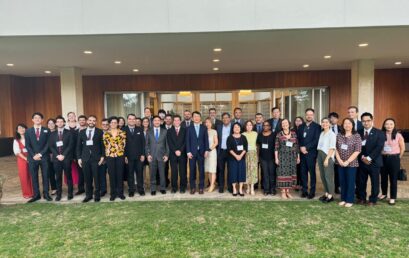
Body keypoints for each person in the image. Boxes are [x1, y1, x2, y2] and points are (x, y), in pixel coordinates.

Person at [357, 112, 385, 206]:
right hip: (361, 161)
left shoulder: (379, 132)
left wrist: (369, 158)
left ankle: (373, 200)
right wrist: (362, 157)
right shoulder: (358, 132)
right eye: (364, 121)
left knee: (375, 182)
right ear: (361, 122)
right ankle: (361, 198)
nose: (366, 123)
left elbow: (379, 147)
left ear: (372, 120)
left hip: (374, 162)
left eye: (368, 120)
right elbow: (356, 146)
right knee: (361, 182)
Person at [76, 115, 104, 203]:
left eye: (94, 120)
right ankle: (88, 195)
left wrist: (102, 157)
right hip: (85, 158)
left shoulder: (100, 132)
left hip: (96, 158)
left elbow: (102, 146)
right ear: (87, 121)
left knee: (97, 178)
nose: (92, 122)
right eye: (90, 120)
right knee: (87, 178)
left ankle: (97, 195)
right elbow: (78, 146)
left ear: (96, 122)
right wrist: (79, 158)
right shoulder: (82, 132)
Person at [25, 112, 52, 203]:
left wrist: (40, 154)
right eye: (35, 118)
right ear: (32, 120)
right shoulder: (28, 131)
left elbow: (48, 144)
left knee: (45, 176)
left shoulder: (46, 130)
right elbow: (27, 145)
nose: (37, 119)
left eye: (39, 118)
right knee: (34, 176)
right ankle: (36, 195)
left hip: (44, 157)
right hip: (32, 158)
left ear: (42, 120)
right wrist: (34, 155)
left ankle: (46, 194)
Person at [335, 118, 361, 208]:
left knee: (350, 182)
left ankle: (350, 200)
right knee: (342, 182)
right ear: (342, 125)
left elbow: (357, 151)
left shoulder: (356, 136)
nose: (347, 125)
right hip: (340, 163)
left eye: (349, 123)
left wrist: (347, 161)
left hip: (352, 163)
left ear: (352, 125)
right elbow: (336, 149)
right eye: (345, 123)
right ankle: (343, 199)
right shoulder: (339, 135)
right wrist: (340, 160)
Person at [379, 118, 405, 205]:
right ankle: (384, 193)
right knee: (383, 178)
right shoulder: (381, 134)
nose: (389, 126)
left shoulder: (398, 135)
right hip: (383, 158)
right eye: (387, 124)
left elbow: (402, 148)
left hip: (394, 158)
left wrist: (398, 158)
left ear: (394, 125)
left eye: (391, 124)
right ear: (384, 125)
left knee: (393, 179)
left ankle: (393, 197)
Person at [48, 116, 74, 201]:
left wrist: (63, 155)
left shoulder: (69, 133)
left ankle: (70, 193)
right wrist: (57, 155)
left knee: (68, 176)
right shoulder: (52, 134)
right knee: (58, 177)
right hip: (56, 159)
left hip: (66, 158)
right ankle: (59, 194)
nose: (59, 123)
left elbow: (70, 145)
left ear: (64, 123)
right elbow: (51, 146)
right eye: (58, 122)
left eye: (61, 121)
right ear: (56, 123)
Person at [298, 108, 321, 199]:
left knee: (312, 173)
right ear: (305, 115)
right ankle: (304, 191)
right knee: (303, 173)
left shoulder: (317, 126)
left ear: (313, 115)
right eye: (307, 114)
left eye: (311, 114)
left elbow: (316, 140)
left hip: (311, 153)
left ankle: (312, 191)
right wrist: (301, 147)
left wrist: (306, 148)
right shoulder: (301, 126)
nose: (309, 116)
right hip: (302, 153)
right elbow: (298, 139)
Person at [103, 116, 127, 201]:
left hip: (120, 156)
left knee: (120, 174)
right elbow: (105, 146)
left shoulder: (122, 133)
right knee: (112, 175)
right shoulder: (105, 134)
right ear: (109, 124)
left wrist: (125, 156)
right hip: (110, 157)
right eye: (112, 122)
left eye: (115, 122)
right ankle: (113, 194)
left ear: (117, 123)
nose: (113, 124)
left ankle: (120, 193)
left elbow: (124, 145)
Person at [275, 119, 299, 199]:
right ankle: (283, 192)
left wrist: (298, 157)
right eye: (283, 123)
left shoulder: (294, 134)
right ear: (281, 125)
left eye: (286, 123)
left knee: (290, 174)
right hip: (282, 157)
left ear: (289, 124)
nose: (284, 124)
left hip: (292, 157)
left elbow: (296, 146)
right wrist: (276, 158)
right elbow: (276, 148)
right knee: (282, 174)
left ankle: (288, 191)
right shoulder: (279, 134)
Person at [186, 111, 209, 194]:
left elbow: (206, 140)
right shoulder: (189, 128)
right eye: (195, 116)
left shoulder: (204, 128)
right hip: (192, 153)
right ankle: (192, 187)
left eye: (198, 116)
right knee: (192, 170)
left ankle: (201, 187)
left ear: (200, 118)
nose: (196, 118)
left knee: (201, 170)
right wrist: (188, 152)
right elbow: (187, 141)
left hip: (202, 152)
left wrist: (206, 150)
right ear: (192, 118)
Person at [146, 116, 169, 195]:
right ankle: (153, 189)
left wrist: (166, 155)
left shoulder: (165, 131)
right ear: (152, 122)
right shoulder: (149, 131)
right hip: (152, 156)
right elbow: (147, 145)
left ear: (161, 121)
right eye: (155, 120)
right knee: (152, 173)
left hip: (162, 156)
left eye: (158, 120)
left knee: (162, 173)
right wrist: (148, 154)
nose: (156, 122)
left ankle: (162, 188)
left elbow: (167, 144)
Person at [124, 114, 146, 197]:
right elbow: (122, 145)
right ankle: (131, 190)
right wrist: (125, 156)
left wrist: (143, 154)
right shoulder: (123, 130)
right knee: (130, 174)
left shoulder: (140, 129)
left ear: (135, 120)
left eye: (133, 119)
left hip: (139, 156)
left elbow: (143, 143)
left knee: (139, 173)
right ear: (127, 120)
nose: (132, 120)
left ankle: (141, 189)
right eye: (130, 119)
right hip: (128, 157)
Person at [317, 117, 336, 203]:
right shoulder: (321, 133)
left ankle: (331, 195)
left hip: (327, 156)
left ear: (330, 124)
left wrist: (327, 159)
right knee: (323, 176)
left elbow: (332, 148)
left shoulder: (332, 134)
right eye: (323, 122)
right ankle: (326, 192)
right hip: (320, 154)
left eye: (326, 122)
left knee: (328, 177)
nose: (325, 124)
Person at [167, 115, 187, 193]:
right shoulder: (169, 131)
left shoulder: (184, 130)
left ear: (180, 121)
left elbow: (185, 142)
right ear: (173, 121)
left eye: (178, 120)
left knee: (183, 172)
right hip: (173, 154)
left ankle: (182, 187)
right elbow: (169, 142)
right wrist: (175, 150)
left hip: (182, 154)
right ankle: (174, 187)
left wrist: (180, 150)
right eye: (175, 120)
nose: (176, 122)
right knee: (174, 172)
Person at [227, 123, 248, 196]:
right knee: (233, 173)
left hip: (242, 159)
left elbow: (245, 148)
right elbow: (229, 149)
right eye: (235, 127)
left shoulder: (244, 137)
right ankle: (234, 189)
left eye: (238, 127)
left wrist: (240, 156)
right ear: (232, 129)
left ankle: (240, 189)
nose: (236, 128)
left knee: (241, 173)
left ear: (240, 128)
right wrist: (236, 156)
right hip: (232, 159)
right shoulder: (229, 138)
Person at [13, 124, 33, 199]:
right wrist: (26, 159)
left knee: (32, 175)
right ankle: (27, 193)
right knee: (24, 176)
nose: (21, 129)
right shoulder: (16, 140)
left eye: (23, 128)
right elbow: (17, 152)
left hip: (31, 159)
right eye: (19, 128)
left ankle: (34, 192)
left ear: (26, 129)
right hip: (22, 160)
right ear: (17, 131)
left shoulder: (30, 138)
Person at [257, 121, 277, 195]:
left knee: (272, 174)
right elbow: (258, 146)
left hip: (272, 157)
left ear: (270, 127)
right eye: (264, 125)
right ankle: (266, 190)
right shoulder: (260, 135)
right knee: (265, 174)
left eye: (267, 125)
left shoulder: (274, 135)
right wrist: (258, 156)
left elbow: (276, 146)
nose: (265, 127)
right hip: (263, 158)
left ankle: (273, 189)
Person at [216, 112, 233, 193]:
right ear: (222, 119)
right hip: (221, 151)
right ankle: (221, 186)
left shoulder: (233, 127)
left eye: (227, 117)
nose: (225, 119)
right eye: (224, 118)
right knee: (221, 170)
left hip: (230, 152)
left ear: (230, 119)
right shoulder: (218, 127)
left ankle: (230, 187)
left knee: (230, 170)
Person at [243, 120, 258, 195]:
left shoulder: (255, 133)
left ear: (252, 126)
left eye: (250, 125)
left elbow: (256, 144)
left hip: (253, 154)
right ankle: (247, 187)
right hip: (245, 153)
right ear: (245, 126)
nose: (249, 126)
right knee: (246, 170)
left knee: (253, 170)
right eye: (247, 125)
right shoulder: (243, 134)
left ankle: (252, 187)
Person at [204, 117, 218, 192]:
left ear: (211, 123)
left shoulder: (214, 131)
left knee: (212, 170)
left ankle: (212, 185)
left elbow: (216, 143)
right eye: (206, 122)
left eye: (209, 122)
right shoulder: (203, 131)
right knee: (208, 170)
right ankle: (211, 184)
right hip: (205, 153)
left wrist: (209, 150)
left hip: (212, 152)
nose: (207, 124)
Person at [329, 112, 341, 194]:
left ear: (337, 119)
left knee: (337, 171)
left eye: (334, 117)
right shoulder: (325, 128)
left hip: (339, 152)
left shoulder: (341, 128)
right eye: (331, 118)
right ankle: (329, 188)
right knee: (329, 171)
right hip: (329, 152)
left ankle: (337, 187)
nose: (332, 119)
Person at [292, 116, 304, 191]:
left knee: (302, 169)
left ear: (302, 122)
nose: (298, 122)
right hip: (294, 152)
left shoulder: (304, 129)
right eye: (296, 120)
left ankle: (301, 184)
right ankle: (296, 184)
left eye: (299, 120)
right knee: (295, 169)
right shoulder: (292, 130)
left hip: (302, 152)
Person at [46, 118, 57, 195]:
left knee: (58, 172)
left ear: (55, 124)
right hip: (48, 155)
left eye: (52, 123)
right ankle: (54, 188)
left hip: (57, 154)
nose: (51, 125)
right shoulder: (45, 133)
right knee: (51, 172)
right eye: (49, 123)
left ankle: (59, 187)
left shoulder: (58, 132)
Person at [99, 118, 109, 196]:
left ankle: (115, 189)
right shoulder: (98, 133)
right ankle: (103, 190)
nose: (105, 126)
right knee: (102, 174)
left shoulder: (112, 133)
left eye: (106, 124)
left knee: (113, 174)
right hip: (101, 158)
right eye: (103, 124)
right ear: (101, 125)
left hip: (111, 157)